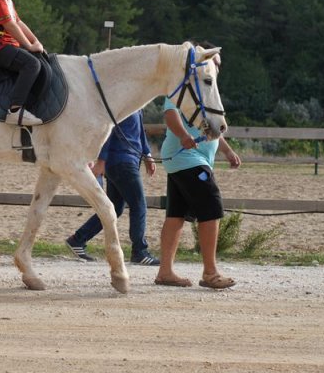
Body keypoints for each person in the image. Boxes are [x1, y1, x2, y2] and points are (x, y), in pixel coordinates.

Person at [154, 91, 241, 289]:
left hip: (181, 161)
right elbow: (170, 114)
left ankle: (165, 272)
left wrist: (227, 151)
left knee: (176, 215)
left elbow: (212, 129)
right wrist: (184, 135)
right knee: (211, 207)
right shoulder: (180, 91)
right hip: (188, 158)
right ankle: (210, 273)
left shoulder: (205, 97)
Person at [65, 110, 160, 265]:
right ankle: (139, 252)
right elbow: (108, 130)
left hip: (126, 161)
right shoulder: (123, 101)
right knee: (139, 205)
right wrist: (102, 160)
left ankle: (77, 239)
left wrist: (147, 154)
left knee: (114, 208)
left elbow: (140, 131)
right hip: (122, 161)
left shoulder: (138, 102)